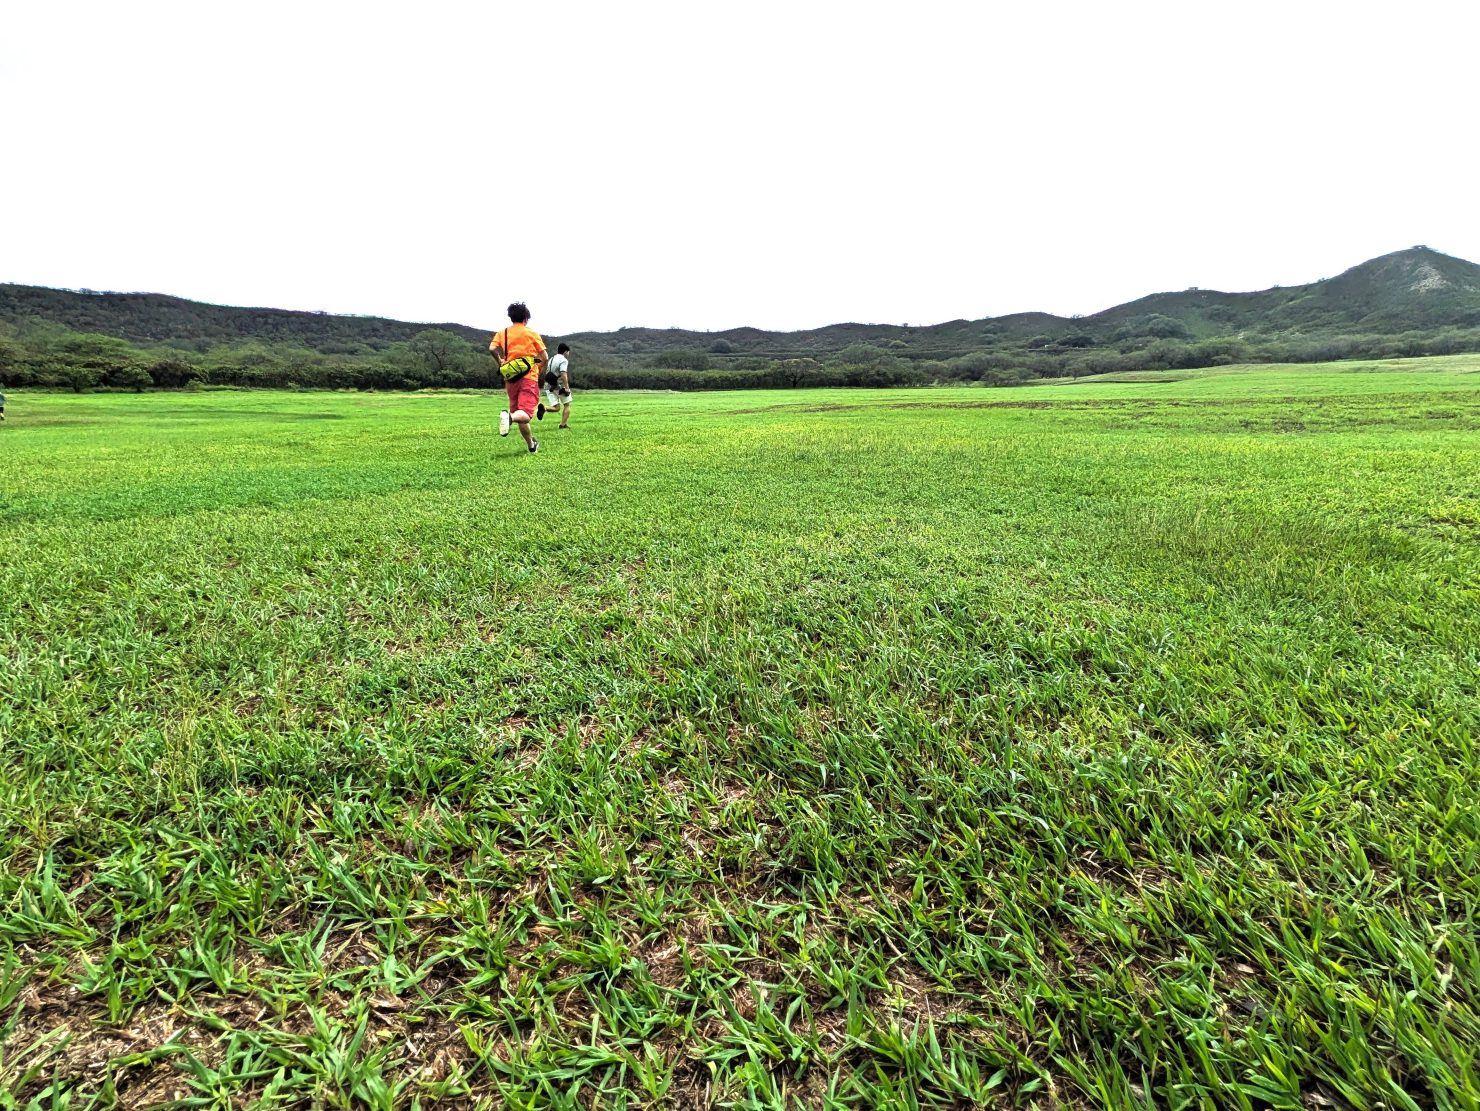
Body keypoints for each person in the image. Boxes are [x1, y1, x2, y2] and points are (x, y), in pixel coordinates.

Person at [490, 302, 547, 453]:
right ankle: (509, 417)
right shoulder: (531, 333)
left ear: (511, 317)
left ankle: (531, 445)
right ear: (526, 318)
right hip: (529, 377)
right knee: (525, 414)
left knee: (519, 413)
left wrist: (500, 361)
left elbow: (492, 348)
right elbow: (544, 357)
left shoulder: (503, 333)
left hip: (511, 378)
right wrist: (538, 369)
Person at [539, 343, 573, 428]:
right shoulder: (563, 360)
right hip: (558, 386)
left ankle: (544, 408)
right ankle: (563, 425)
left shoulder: (551, 359)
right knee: (567, 405)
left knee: (557, 408)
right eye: (568, 352)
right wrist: (566, 387)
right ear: (565, 351)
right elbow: (563, 374)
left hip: (548, 385)